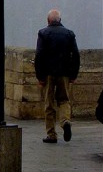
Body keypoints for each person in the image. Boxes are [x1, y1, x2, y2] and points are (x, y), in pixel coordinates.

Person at [34, 8, 80, 144]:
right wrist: (73, 74)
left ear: (48, 20)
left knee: (49, 103)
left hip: (48, 73)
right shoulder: (69, 34)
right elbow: (76, 55)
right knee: (64, 100)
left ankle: (51, 134)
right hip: (64, 73)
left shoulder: (43, 33)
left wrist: (40, 76)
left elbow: (39, 55)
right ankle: (65, 121)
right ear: (60, 20)